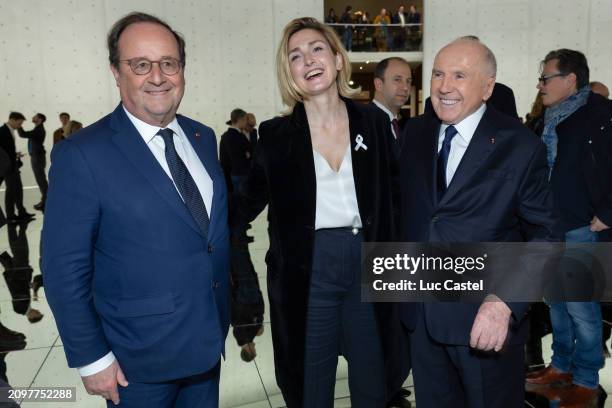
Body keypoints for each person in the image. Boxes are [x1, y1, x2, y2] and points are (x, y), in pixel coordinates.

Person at [42, 12, 229, 408]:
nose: (157, 76)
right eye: (140, 65)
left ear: (182, 69)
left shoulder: (202, 136)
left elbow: (205, 239)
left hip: (206, 345)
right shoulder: (81, 154)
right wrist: (92, 358)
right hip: (136, 364)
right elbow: (64, 269)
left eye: (168, 63)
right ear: (116, 72)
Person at [232, 16, 404, 408]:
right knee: (311, 387)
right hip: (309, 271)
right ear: (289, 71)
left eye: (316, 49)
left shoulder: (373, 122)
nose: (308, 59)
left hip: (368, 265)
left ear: (338, 59)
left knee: (373, 384)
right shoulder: (275, 136)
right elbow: (243, 204)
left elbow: (397, 198)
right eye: (295, 55)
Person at [398, 36, 556, 407]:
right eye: (438, 74)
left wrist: (504, 303)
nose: (444, 86)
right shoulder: (415, 134)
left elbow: (547, 234)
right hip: (420, 319)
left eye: (459, 76)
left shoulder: (519, 145)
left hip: (484, 322)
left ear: (487, 87)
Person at [525, 49, 612, 407]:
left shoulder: (601, 114)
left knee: (581, 309)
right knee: (557, 305)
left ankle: (587, 380)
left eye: (546, 78)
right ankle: (560, 367)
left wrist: (608, 213)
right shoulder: (550, 119)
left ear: (569, 80)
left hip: (583, 228)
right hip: (552, 226)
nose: (540, 85)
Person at [371, 57, 412, 157]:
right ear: (379, 84)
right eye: (398, 80)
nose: (406, 87)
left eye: (408, 81)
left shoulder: (409, 126)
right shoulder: (362, 122)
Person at [0, 112, 34, 223]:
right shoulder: (2, 131)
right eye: (19, 123)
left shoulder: (9, 131)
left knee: (18, 189)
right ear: (13, 120)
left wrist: (15, 155)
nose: (20, 126)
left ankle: (21, 212)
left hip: (12, 164)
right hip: (7, 166)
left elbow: (7, 149)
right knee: (11, 190)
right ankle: (10, 215)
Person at [18, 113, 48, 211]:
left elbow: (23, 134)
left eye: (34, 116)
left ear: (39, 119)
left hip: (37, 158)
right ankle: (46, 200)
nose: (32, 117)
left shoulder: (39, 130)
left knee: (41, 181)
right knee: (41, 180)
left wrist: (19, 125)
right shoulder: (37, 129)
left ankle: (46, 201)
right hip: (36, 157)